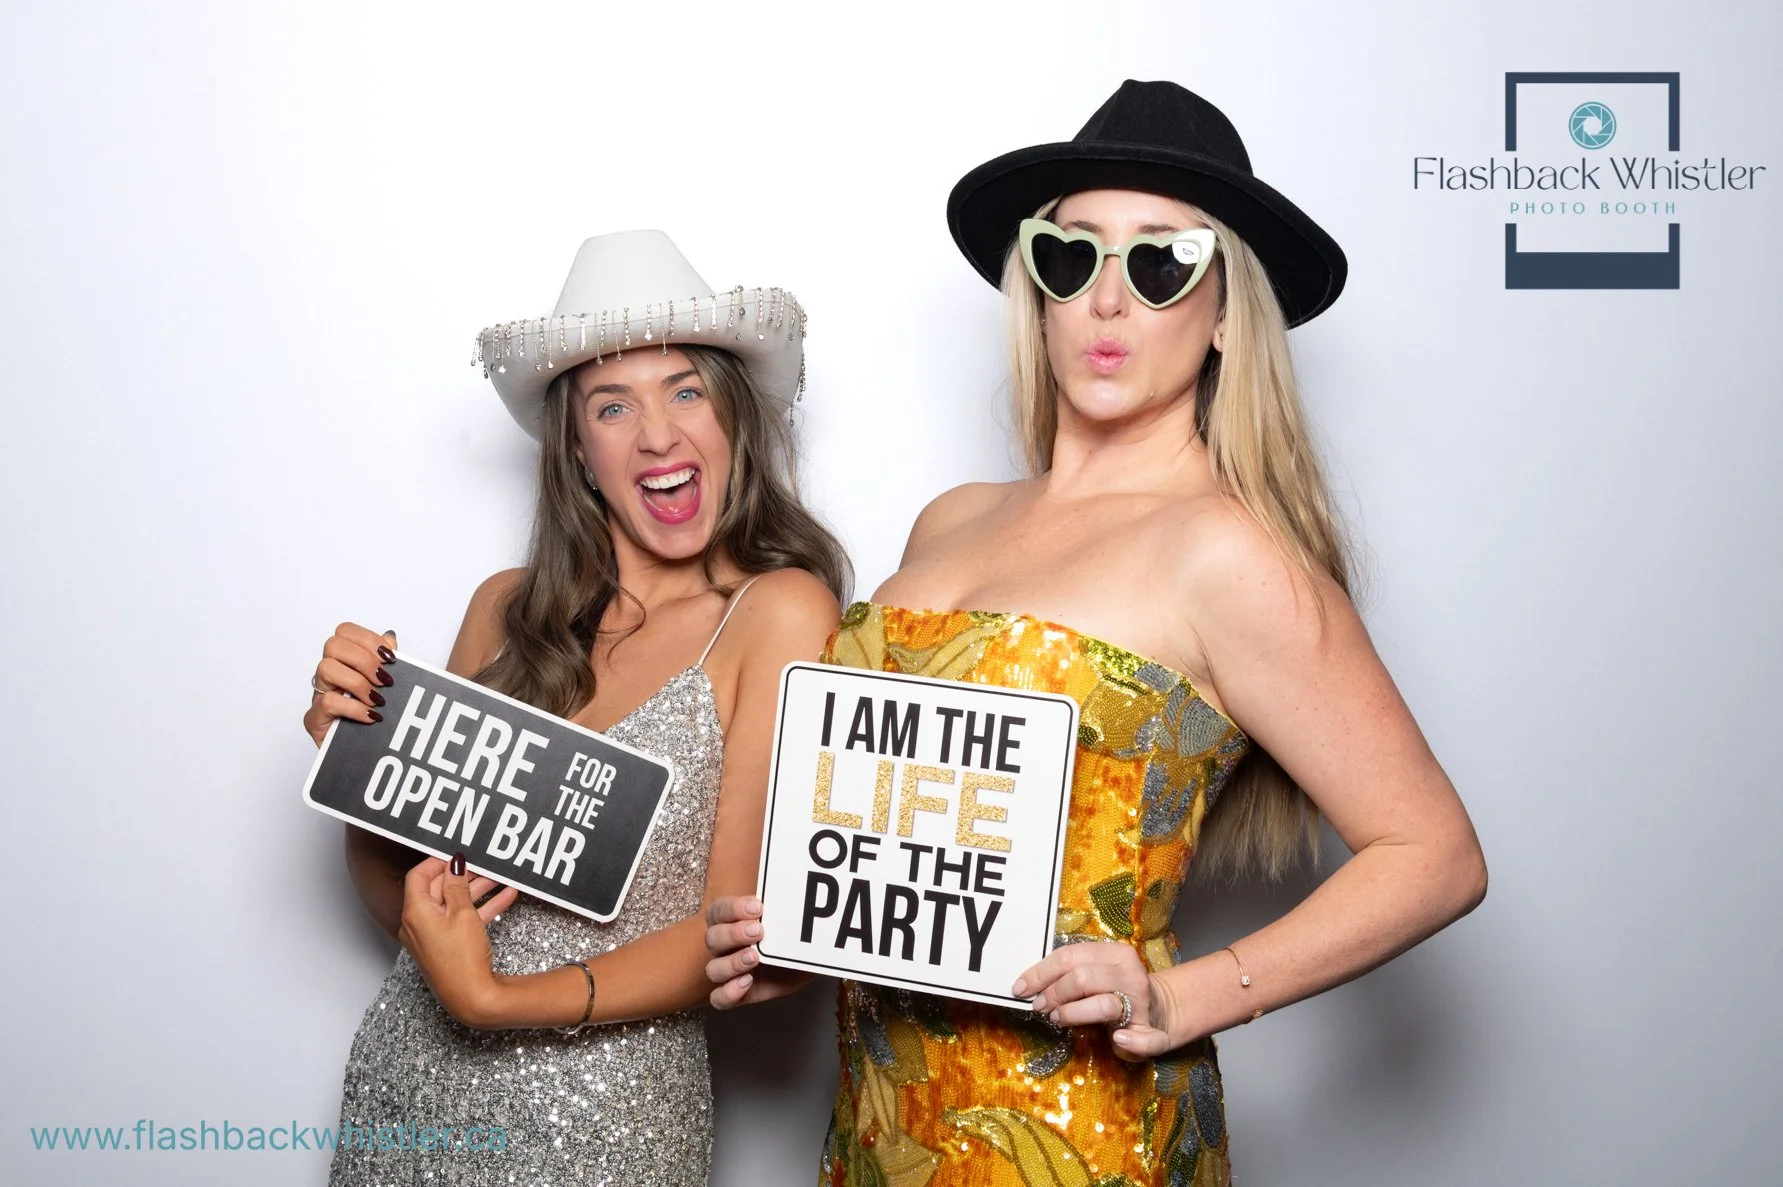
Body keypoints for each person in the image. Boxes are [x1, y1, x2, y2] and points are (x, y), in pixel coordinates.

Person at [702, 80, 1488, 1186]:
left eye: (1160, 263)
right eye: (1072, 259)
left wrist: (1184, 993)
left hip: (1080, 1133)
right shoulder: (951, 518)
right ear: (1037, 293)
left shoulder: (1226, 552)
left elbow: (1435, 855)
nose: (1107, 300)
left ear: (1224, 316)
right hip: (884, 1119)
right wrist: (805, 942)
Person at [303, 230, 847, 1185]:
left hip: (610, 1118)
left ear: (733, 416)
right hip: (410, 1091)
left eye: (686, 389)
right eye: (613, 405)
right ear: (580, 452)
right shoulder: (504, 609)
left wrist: (498, 999)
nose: (658, 435)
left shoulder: (779, 612)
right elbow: (409, 904)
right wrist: (359, 759)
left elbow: (730, 925)